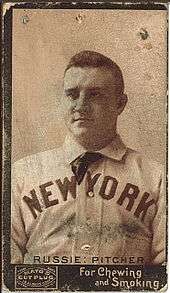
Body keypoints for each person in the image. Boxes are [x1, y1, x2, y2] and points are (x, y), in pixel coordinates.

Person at [11, 50, 166, 265]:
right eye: (72, 94)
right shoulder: (22, 174)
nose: (81, 105)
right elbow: (7, 270)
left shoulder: (157, 178)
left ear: (120, 104)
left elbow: (165, 273)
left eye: (95, 94)